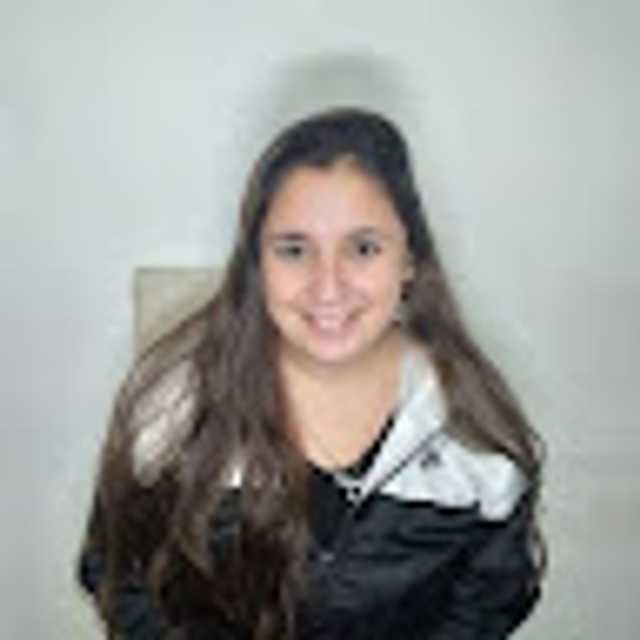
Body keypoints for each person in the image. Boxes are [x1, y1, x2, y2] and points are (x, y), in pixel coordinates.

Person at [77, 107, 545, 639]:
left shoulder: (474, 434)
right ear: (257, 265)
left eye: (363, 248)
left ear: (409, 260)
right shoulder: (172, 407)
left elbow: (488, 605)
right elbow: (117, 576)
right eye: (294, 250)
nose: (328, 287)